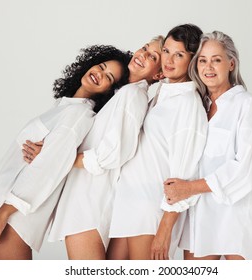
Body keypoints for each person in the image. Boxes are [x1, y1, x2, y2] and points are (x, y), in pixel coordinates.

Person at [0, 45, 131, 260]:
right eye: (101, 66)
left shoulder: (79, 114)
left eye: (108, 77)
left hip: (14, 214)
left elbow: (47, 168)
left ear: (109, 91)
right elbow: (16, 162)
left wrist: (5, 211)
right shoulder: (64, 107)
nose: (99, 74)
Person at [23, 36, 165, 260]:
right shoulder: (122, 94)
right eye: (145, 48)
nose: (143, 54)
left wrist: (54, 156)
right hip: (83, 202)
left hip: (88, 205)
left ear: (158, 74)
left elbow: (111, 155)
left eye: (153, 56)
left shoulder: (132, 95)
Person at [164, 31, 252, 260]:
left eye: (216, 59)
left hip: (237, 220)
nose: (209, 67)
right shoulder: (198, 107)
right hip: (199, 220)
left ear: (231, 63)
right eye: (203, 60)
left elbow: (245, 169)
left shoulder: (246, 106)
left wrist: (190, 187)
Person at [108, 24, 208, 260]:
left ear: (192, 61)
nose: (169, 60)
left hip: (151, 210)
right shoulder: (160, 92)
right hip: (128, 203)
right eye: (166, 51)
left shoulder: (187, 104)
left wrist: (165, 229)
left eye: (179, 54)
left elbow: (184, 173)